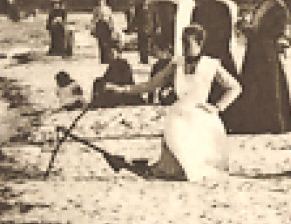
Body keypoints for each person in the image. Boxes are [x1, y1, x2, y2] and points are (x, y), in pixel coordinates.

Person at [103, 24, 242, 181]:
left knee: (198, 169)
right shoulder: (177, 64)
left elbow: (235, 87)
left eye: (187, 43)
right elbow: (151, 85)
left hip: (201, 116)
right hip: (179, 116)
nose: (184, 46)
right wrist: (121, 90)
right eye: (182, 42)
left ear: (199, 43)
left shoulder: (211, 65)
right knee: (172, 167)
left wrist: (217, 107)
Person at [223, 0, 291, 135]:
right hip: (256, 50)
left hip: (266, 51)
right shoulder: (264, 5)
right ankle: (256, 122)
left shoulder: (277, 8)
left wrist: (251, 31)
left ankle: (272, 122)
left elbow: (274, 31)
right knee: (257, 86)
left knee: (267, 87)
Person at [189, 0, 237, 73]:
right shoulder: (197, 10)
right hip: (203, 56)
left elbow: (225, 36)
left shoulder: (222, 8)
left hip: (219, 56)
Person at [91, 0, 119, 64]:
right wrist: (93, 28)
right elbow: (94, 19)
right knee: (101, 42)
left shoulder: (108, 9)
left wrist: (113, 27)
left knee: (107, 42)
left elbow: (111, 18)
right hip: (100, 25)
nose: (102, 2)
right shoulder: (96, 9)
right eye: (101, 0)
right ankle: (102, 58)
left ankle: (107, 58)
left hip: (107, 26)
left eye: (103, 0)